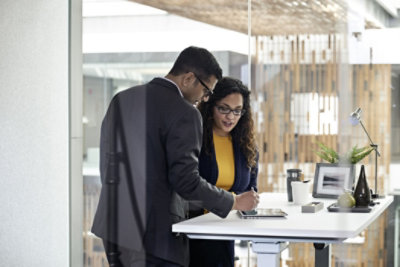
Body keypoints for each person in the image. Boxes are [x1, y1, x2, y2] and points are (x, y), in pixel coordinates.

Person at [91, 46, 259, 267]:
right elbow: (185, 181)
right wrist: (234, 201)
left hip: (114, 227)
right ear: (189, 78)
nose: (206, 98)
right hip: (155, 237)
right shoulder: (185, 113)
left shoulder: (122, 99)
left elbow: (108, 166)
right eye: (207, 90)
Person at [189, 77, 259, 267]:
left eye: (237, 111)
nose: (230, 117)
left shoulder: (246, 145)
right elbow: (187, 187)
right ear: (211, 106)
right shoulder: (195, 139)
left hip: (227, 232)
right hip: (195, 232)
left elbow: (251, 190)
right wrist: (233, 201)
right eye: (224, 109)